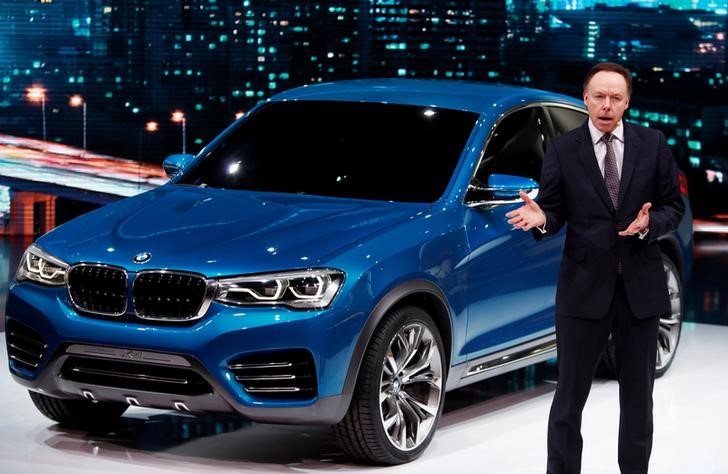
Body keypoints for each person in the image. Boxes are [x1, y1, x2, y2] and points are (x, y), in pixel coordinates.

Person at [505, 62, 685, 474]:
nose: (607, 105)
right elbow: (552, 209)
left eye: (616, 98)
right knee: (569, 397)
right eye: (599, 96)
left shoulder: (653, 143)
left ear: (627, 102)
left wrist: (649, 224)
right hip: (583, 289)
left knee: (638, 399)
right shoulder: (563, 149)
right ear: (585, 98)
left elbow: (674, 206)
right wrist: (542, 218)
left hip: (639, 287)